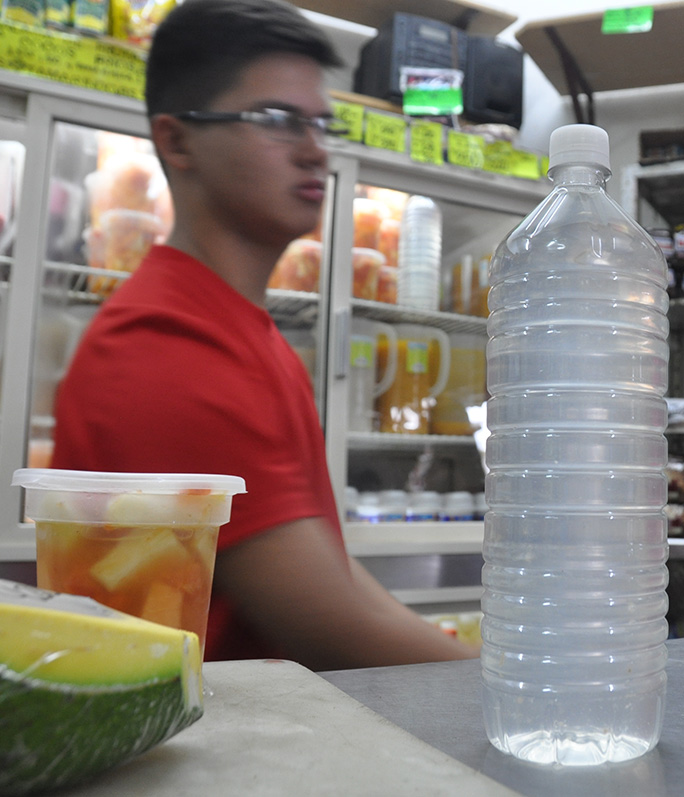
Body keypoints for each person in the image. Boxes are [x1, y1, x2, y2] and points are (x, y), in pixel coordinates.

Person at [51, 0, 476, 669]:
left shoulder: (247, 332)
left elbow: (330, 575)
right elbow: (331, 628)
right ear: (177, 140)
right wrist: (506, 686)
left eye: (320, 123)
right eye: (278, 120)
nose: (316, 150)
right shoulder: (166, 346)